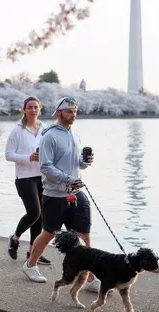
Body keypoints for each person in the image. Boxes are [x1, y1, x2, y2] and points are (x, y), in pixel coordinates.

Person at [22, 97, 102, 293]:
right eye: (69, 112)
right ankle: (30, 265)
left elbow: (75, 164)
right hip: (55, 194)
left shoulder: (75, 135)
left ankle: (90, 277)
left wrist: (85, 162)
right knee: (49, 233)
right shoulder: (49, 136)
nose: (73, 115)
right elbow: (45, 166)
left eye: (75, 112)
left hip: (76, 192)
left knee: (84, 234)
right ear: (59, 113)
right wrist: (67, 179)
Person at [5, 96, 50, 265]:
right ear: (24, 109)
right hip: (24, 177)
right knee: (34, 212)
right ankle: (15, 239)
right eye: (29, 107)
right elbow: (8, 155)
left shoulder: (45, 129)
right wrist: (28, 157)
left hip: (42, 176)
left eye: (35, 107)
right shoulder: (17, 130)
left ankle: (33, 253)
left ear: (40, 109)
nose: (33, 110)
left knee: (41, 218)